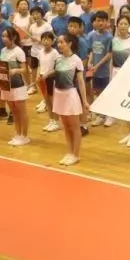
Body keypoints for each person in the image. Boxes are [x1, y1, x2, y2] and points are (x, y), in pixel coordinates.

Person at [52, 33, 89, 166]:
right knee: (65, 126)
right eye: (58, 42)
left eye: (62, 42)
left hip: (70, 95)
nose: (59, 45)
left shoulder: (76, 60)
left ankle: (76, 154)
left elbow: (81, 82)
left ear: (69, 44)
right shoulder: (58, 59)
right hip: (59, 95)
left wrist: (84, 101)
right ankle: (69, 152)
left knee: (74, 127)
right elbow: (56, 75)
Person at [110, 17, 130, 147]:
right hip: (116, 73)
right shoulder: (114, 40)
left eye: (125, 24)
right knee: (122, 105)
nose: (122, 26)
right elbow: (112, 59)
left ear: (128, 26)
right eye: (120, 24)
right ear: (117, 25)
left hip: (128, 74)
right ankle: (129, 132)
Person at [0, 27, 30, 146]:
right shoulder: (3, 50)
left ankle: (24, 136)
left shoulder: (19, 51)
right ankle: (18, 134)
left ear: (14, 37)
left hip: (18, 85)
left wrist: (15, 70)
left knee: (21, 112)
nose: (4, 38)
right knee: (14, 111)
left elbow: (25, 69)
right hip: (6, 85)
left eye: (6, 36)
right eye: (3, 36)